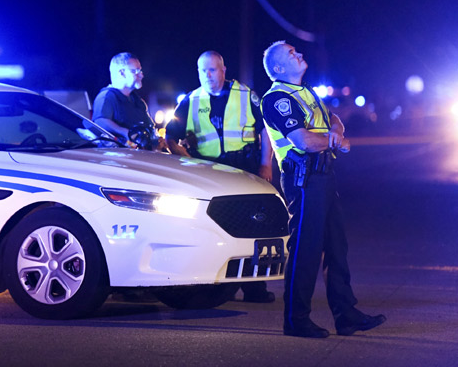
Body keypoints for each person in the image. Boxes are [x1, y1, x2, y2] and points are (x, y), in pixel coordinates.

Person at [260, 40, 386, 338]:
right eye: (292, 54)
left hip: (324, 178)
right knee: (305, 250)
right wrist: (335, 141)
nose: (299, 54)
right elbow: (302, 141)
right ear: (279, 67)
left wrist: (336, 133)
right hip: (304, 182)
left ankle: (346, 315)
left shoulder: (306, 92)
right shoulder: (276, 98)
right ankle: (296, 320)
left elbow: (334, 119)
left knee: (336, 247)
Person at [165, 50, 275, 303]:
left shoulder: (246, 95)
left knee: (253, 227)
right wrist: (187, 159)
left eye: (212, 69)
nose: (207, 75)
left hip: (244, 168)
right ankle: (212, 285)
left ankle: (255, 289)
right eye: (202, 70)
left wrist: (265, 164)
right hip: (208, 172)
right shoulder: (191, 100)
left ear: (223, 70)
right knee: (212, 229)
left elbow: (267, 130)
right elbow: (170, 136)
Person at [92, 52, 165, 150]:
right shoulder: (107, 97)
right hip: (119, 161)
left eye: (140, 71)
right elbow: (99, 121)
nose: (141, 75)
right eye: (136, 71)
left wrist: (156, 141)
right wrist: (126, 132)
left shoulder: (138, 101)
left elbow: (150, 129)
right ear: (122, 73)